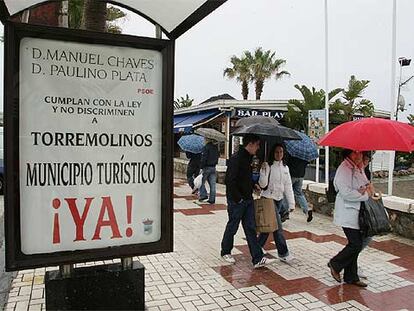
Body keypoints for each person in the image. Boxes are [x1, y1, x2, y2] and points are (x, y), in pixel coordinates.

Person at [220, 134, 275, 268]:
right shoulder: (236, 159)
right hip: (237, 201)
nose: (258, 148)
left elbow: (244, 179)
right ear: (250, 144)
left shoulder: (249, 159)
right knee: (233, 226)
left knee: (250, 228)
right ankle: (225, 251)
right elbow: (230, 181)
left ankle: (257, 258)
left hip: (248, 199)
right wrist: (238, 198)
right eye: (257, 145)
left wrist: (253, 185)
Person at [327, 149, 373, 287]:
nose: (358, 156)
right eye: (354, 153)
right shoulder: (344, 169)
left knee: (356, 244)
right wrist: (364, 194)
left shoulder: (357, 168)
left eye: (360, 153)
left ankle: (351, 277)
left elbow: (365, 185)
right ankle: (335, 264)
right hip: (347, 212)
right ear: (347, 153)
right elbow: (346, 192)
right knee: (355, 244)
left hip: (356, 213)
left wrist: (365, 187)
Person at [257, 144, 295, 263]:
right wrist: (263, 171)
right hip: (268, 199)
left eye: (281, 152)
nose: (279, 154)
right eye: (277, 152)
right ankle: (283, 253)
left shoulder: (285, 168)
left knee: (267, 227)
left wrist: (291, 203)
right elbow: (262, 185)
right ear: (272, 153)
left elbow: (288, 186)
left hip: (279, 200)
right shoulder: (268, 166)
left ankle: (256, 247)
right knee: (277, 227)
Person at [287, 155, 313, 222]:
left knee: (287, 192)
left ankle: (286, 213)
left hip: (292, 175)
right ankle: (307, 210)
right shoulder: (304, 153)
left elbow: (287, 162)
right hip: (301, 175)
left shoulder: (292, 153)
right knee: (299, 193)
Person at [199, 138, 220, 204]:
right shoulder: (216, 148)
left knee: (201, 182)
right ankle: (212, 199)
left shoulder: (206, 148)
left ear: (207, 140)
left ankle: (203, 195)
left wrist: (201, 167)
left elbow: (204, 158)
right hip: (213, 167)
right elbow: (218, 156)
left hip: (206, 167)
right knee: (213, 185)